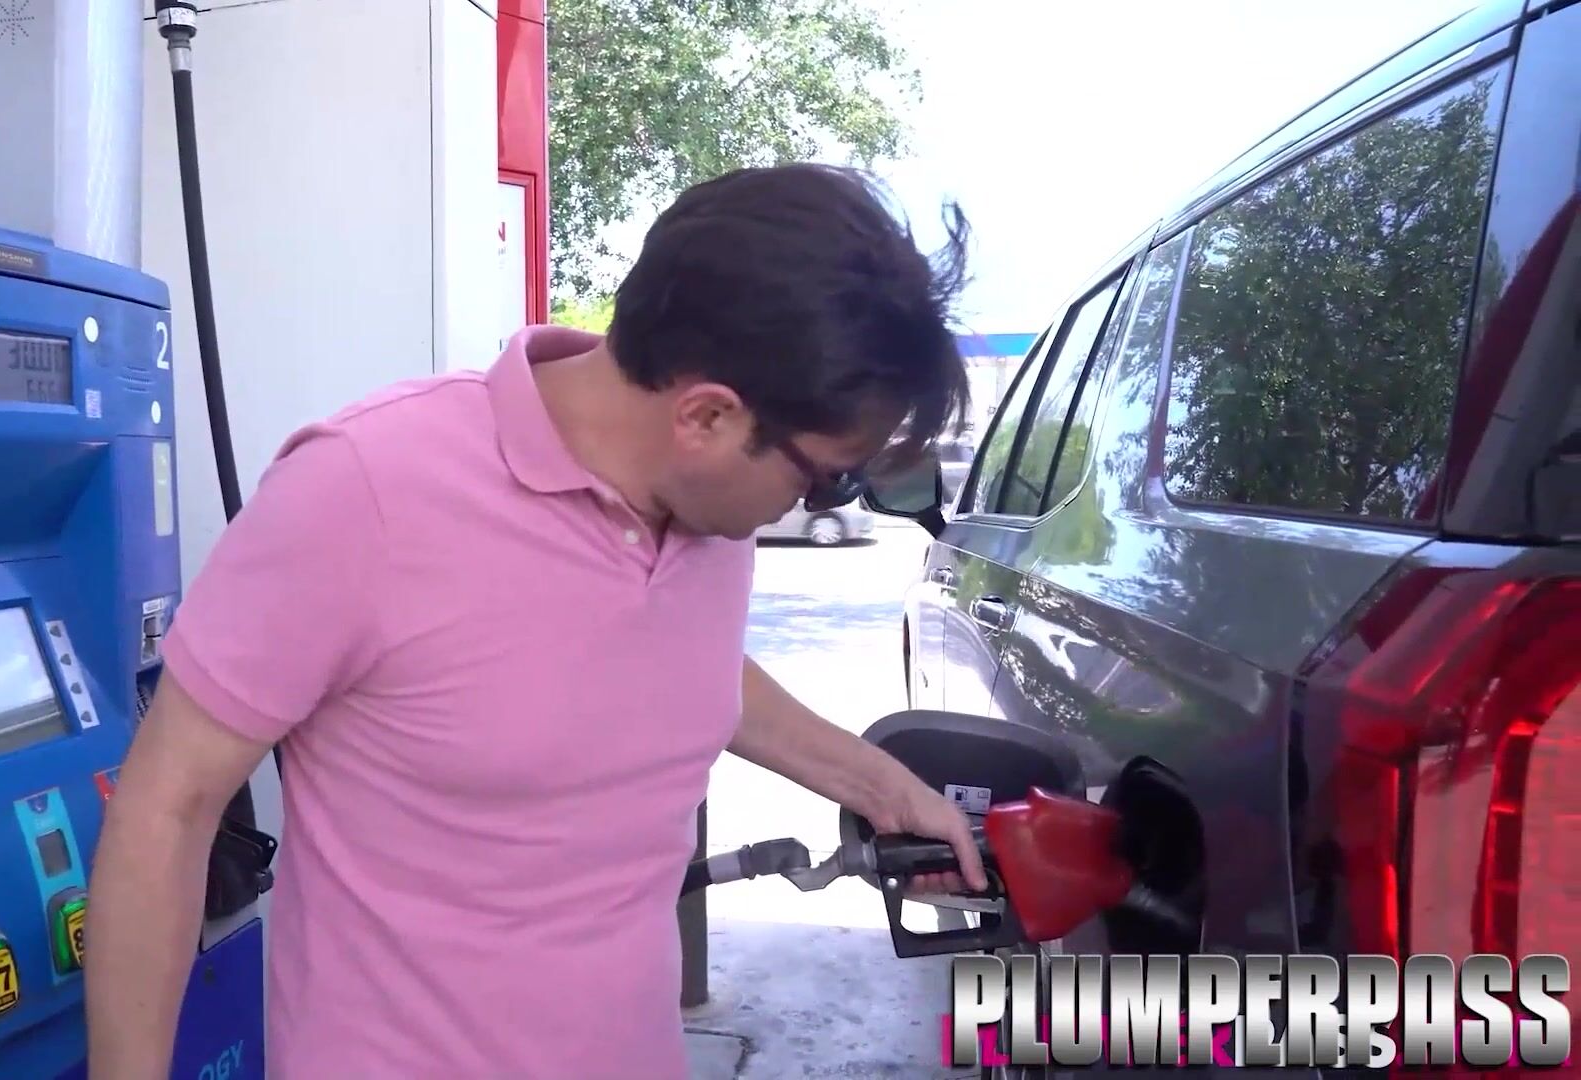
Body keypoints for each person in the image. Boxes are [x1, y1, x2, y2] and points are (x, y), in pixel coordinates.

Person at [84, 162, 984, 1079]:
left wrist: (879, 784)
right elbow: (168, 805)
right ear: (707, 416)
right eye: (827, 478)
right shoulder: (362, 490)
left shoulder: (707, 513)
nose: (825, 501)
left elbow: (672, 669)